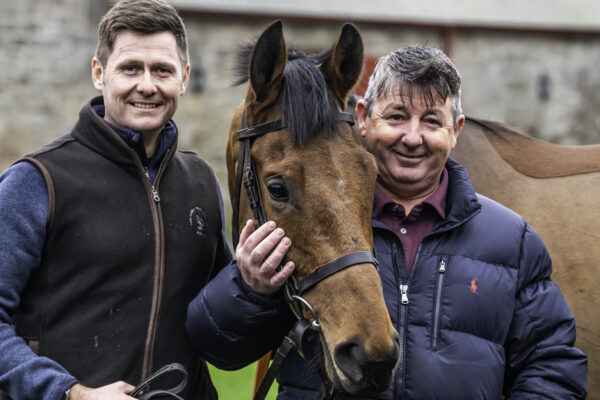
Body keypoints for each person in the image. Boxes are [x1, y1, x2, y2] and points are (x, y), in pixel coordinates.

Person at [186, 45, 588, 398]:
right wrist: (249, 289)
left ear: (456, 131)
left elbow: (552, 364)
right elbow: (221, 347)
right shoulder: (317, 219)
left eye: (431, 121)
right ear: (363, 118)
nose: (412, 137)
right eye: (397, 116)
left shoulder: (512, 240)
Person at [0, 0, 232, 399]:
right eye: (130, 68)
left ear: (184, 78)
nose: (147, 85)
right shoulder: (37, 180)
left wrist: (254, 285)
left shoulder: (202, 183)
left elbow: (219, 323)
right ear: (99, 73)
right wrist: (72, 393)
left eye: (162, 70)